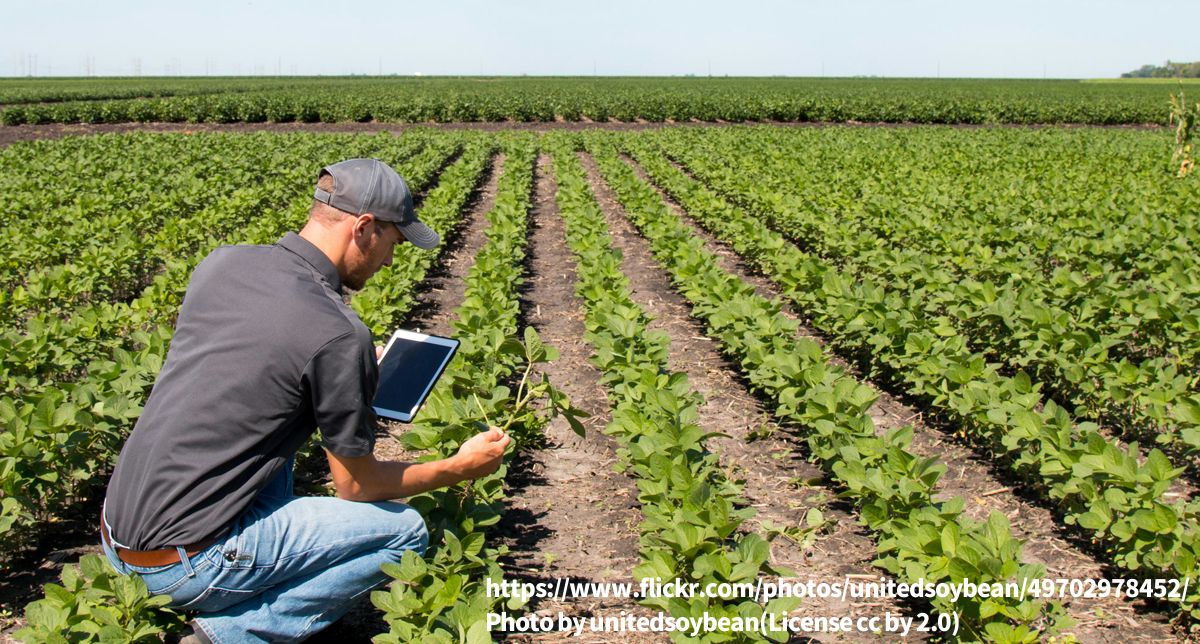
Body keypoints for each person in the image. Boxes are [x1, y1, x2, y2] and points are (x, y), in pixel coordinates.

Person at [100, 158, 511, 643]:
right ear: (363, 228)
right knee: (404, 533)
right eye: (393, 243)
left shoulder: (223, 263)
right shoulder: (337, 333)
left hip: (118, 534)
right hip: (185, 565)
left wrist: (346, 376)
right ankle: (233, 634)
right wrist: (459, 468)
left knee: (277, 444)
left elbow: (260, 368)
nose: (391, 261)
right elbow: (356, 488)